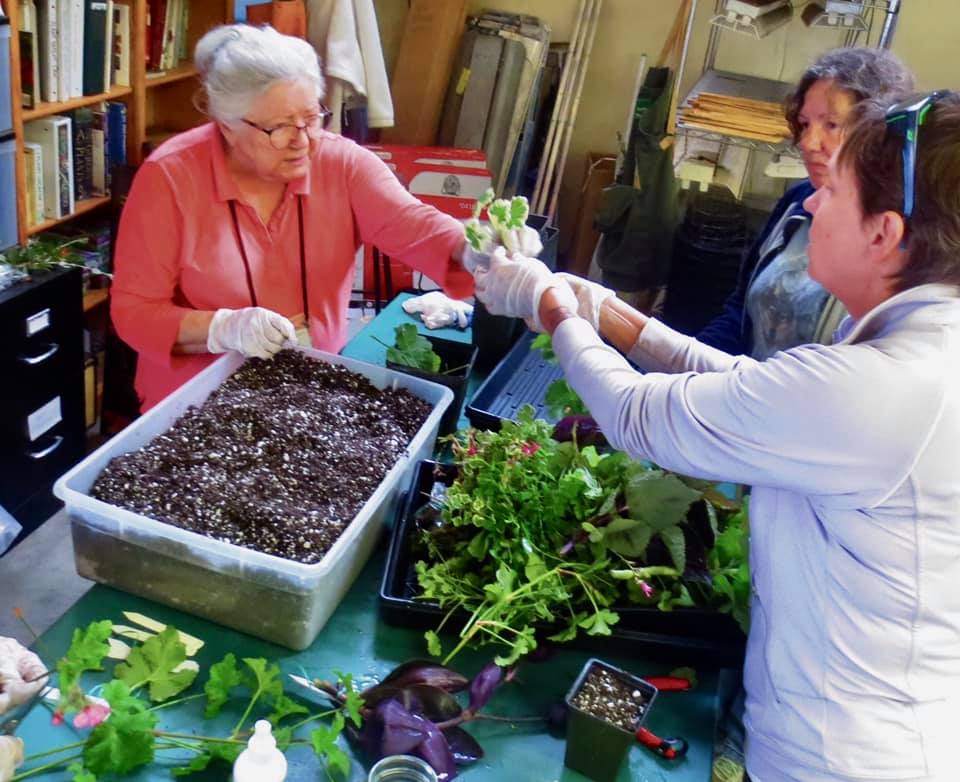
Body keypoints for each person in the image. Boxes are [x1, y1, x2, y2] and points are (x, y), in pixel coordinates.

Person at [473, 90, 960, 781]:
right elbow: (750, 387)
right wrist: (612, 315)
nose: (812, 206)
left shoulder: (888, 388)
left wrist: (548, 305)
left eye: (834, 192)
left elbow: (638, 415)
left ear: (884, 233)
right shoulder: (924, 354)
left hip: (839, 761)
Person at [111, 24, 479, 411]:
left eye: (312, 118)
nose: (302, 141)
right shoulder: (169, 178)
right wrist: (222, 329)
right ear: (228, 125)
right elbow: (134, 312)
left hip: (311, 389)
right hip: (198, 401)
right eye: (280, 127)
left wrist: (474, 249)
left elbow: (415, 225)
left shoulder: (341, 164)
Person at [692, 47, 914, 359]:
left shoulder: (895, 242)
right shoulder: (797, 202)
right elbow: (738, 317)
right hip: (740, 389)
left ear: (876, 134)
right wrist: (677, 373)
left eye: (831, 125)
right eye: (805, 123)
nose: (808, 142)